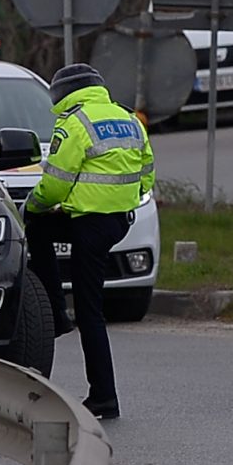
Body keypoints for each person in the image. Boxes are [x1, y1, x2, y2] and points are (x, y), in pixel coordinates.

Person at [22, 63, 153, 419]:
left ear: (62, 94)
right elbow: (147, 168)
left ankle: (104, 397)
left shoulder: (73, 124)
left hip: (90, 226)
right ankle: (57, 310)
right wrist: (123, 199)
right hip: (118, 220)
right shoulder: (126, 117)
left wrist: (30, 206)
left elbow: (55, 184)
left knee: (91, 313)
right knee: (46, 231)